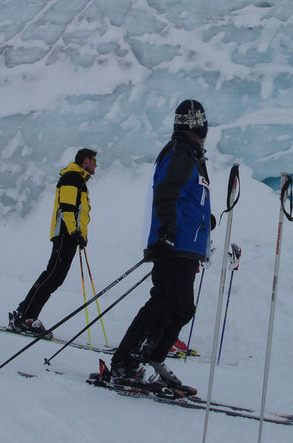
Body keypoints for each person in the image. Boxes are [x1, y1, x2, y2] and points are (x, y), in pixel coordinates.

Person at [109, 99, 212, 393]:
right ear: (198, 127)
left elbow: (188, 197)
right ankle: (126, 364)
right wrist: (166, 231)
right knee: (166, 302)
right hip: (174, 244)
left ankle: (149, 358)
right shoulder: (182, 153)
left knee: (181, 308)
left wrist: (207, 220)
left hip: (186, 244)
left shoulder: (191, 155)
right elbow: (166, 192)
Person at [8, 148, 97, 337]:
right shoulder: (72, 177)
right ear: (86, 160)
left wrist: (79, 234)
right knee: (53, 276)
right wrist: (74, 232)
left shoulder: (77, 178)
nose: (96, 165)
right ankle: (26, 316)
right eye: (94, 160)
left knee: (53, 276)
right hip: (66, 234)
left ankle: (24, 313)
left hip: (68, 235)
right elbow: (67, 207)